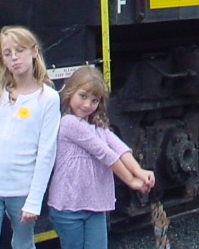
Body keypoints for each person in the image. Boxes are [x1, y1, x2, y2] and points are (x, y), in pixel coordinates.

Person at [0, 26, 60, 249]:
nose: (14, 57)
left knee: (23, 244)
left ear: (34, 52)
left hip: (21, 189)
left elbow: (46, 153)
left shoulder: (48, 98)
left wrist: (35, 200)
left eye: (20, 50)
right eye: (7, 54)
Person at [48, 65, 155, 249]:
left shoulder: (96, 125)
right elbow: (105, 154)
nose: (88, 105)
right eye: (83, 96)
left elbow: (118, 147)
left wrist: (139, 170)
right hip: (68, 205)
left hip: (94, 205)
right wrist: (131, 180)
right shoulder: (69, 123)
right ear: (70, 92)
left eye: (94, 100)